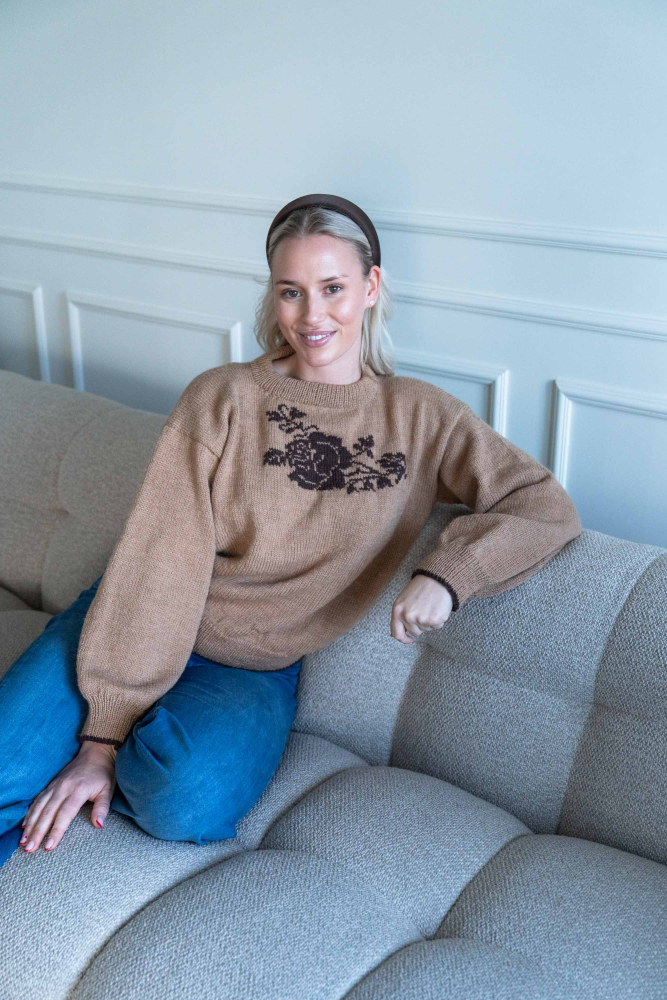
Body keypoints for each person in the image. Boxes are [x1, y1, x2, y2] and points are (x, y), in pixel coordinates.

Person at [0, 193, 582, 867]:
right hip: (134, 617)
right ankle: (88, 738)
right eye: (291, 292)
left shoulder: (421, 417)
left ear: (371, 286)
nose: (311, 316)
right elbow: (159, 559)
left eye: (332, 288)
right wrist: (101, 737)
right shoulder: (222, 397)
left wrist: (448, 578)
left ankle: (111, 745)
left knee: (186, 798)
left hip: (250, 669)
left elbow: (542, 504)